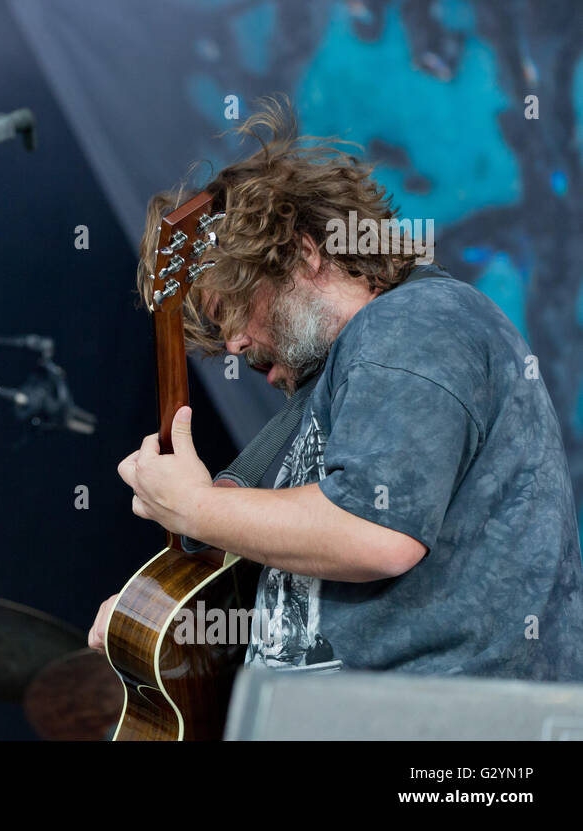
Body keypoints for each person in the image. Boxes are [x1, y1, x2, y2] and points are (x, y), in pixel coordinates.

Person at [88, 102, 583, 681]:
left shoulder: (414, 323)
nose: (234, 346)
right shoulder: (342, 373)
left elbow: (375, 534)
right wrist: (155, 612)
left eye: (235, 311)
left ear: (303, 251)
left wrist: (194, 506)